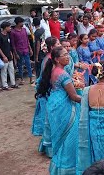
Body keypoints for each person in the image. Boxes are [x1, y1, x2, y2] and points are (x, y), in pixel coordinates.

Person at [36, 46, 81, 174]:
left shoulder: (53, 70)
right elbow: (74, 96)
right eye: (65, 55)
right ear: (56, 59)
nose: (68, 57)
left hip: (54, 103)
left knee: (59, 133)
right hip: (63, 105)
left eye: (68, 54)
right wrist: (89, 99)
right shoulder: (63, 74)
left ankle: (59, 161)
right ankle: (67, 165)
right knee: (69, 134)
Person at [35, 37, 60, 158]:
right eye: (58, 44)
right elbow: (47, 77)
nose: (60, 45)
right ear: (51, 47)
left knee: (51, 120)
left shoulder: (52, 59)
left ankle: (48, 147)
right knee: (50, 120)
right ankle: (49, 149)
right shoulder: (49, 60)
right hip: (48, 91)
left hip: (49, 91)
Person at [10, 16, 34, 85]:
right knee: (20, 65)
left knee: (28, 64)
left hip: (26, 49)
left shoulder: (24, 30)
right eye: (21, 22)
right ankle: (21, 79)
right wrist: (15, 53)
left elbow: (27, 40)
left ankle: (31, 79)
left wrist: (30, 48)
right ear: (18, 23)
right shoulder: (13, 32)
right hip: (19, 50)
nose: (22, 24)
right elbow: (13, 44)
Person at [0, 22, 18, 90]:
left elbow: (9, 44)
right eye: (9, 27)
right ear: (5, 27)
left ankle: (13, 84)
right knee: (4, 71)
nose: (10, 28)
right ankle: (5, 85)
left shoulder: (8, 34)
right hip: (4, 55)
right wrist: (3, 56)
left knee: (11, 69)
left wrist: (11, 52)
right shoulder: (0, 35)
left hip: (9, 54)